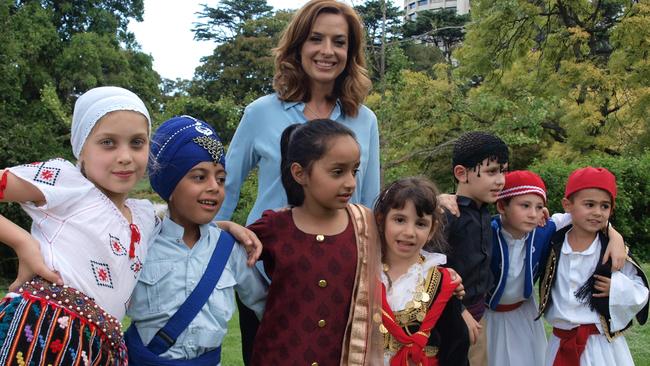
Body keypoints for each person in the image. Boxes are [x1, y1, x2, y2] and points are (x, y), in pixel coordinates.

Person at [217, 1, 381, 362]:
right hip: (266, 278)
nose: (327, 51)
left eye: (339, 42)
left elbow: (369, 203)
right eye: (316, 39)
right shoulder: (261, 113)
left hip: (340, 278)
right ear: (298, 46)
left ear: (350, 52)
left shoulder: (364, 119)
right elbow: (223, 190)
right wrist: (207, 253)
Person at [0, 86, 158, 365]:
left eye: (137, 142)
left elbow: (186, 220)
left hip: (99, 348)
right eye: (108, 142)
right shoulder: (68, 183)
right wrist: (22, 242)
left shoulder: (144, 216)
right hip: (41, 333)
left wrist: (230, 227)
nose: (125, 156)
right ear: (81, 149)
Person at [124, 116, 267, 365]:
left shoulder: (229, 248)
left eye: (221, 178)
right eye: (199, 177)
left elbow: (266, 306)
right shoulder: (139, 242)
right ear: (169, 184)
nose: (215, 187)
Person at [247, 119, 382, 365]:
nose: (351, 182)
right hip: (278, 357)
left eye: (355, 171)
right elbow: (218, 250)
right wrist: (225, 226)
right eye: (338, 172)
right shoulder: (274, 227)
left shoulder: (366, 226)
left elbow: (407, 249)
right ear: (300, 173)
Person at [483, 170, 627, 366]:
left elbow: (583, 216)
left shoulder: (545, 229)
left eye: (539, 206)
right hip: (486, 316)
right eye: (525, 206)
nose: (533, 214)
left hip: (523, 313)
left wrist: (615, 236)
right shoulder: (485, 231)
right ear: (501, 206)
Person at [538, 167, 649, 366]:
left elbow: (641, 291)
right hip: (560, 342)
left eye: (605, 206)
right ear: (567, 205)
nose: (597, 212)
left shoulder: (612, 249)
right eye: (589, 204)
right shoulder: (555, 237)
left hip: (602, 349)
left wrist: (616, 287)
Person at [375, 177, 469, 366]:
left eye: (420, 224)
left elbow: (455, 347)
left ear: (432, 230)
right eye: (400, 220)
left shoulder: (440, 282)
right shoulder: (364, 273)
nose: (409, 232)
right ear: (381, 220)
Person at [440, 131, 509, 366]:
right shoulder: (447, 215)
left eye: (503, 171)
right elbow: (434, 271)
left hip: (479, 315)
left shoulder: (484, 212)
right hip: (450, 318)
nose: (500, 180)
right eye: (491, 171)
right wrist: (459, 310)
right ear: (461, 173)